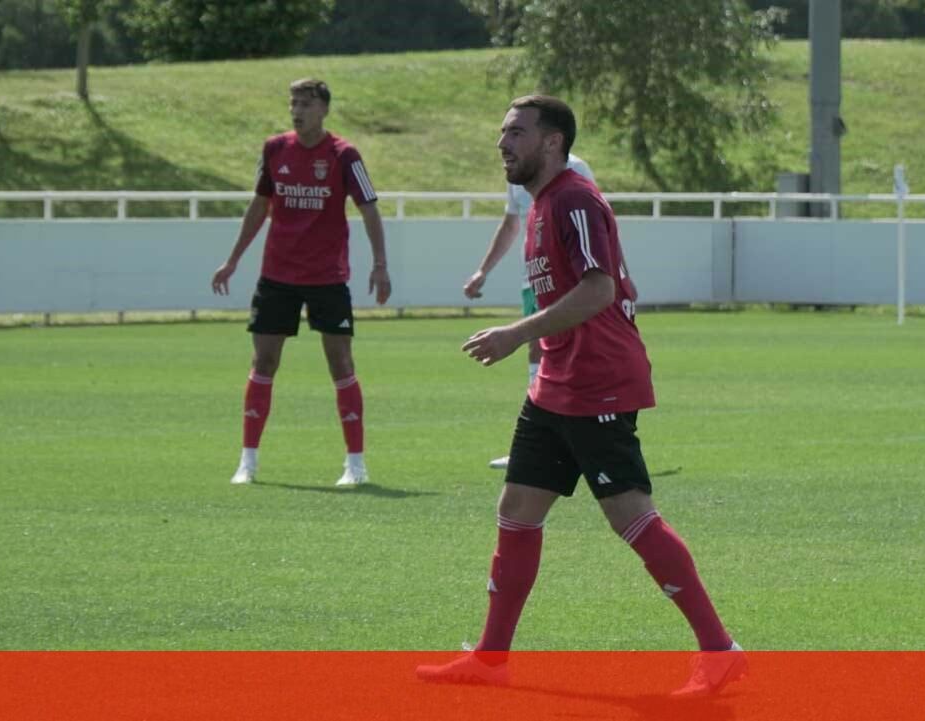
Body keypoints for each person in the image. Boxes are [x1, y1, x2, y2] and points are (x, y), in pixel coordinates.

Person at [417, 96, 746, 697]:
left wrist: (516, 334)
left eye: (516, 132)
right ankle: (490, 659)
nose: (502, 142)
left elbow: (598, 290)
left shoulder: (574, 199)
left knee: (630, 516)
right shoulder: (542, 203)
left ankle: (720, 651)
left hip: (599, 382)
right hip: (556, 383)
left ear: (552, 142)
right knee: (517, 508)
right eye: (502, 131)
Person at [211, 78, 391, 488]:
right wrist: (233, 260)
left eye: (306, 104)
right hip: (277, 275)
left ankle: (356, 464)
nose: (297, 111)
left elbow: (369, 209)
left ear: (324, 109)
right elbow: (260, 205)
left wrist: (380, 265)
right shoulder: (275, 149)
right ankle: (248, 461)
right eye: (293, 103)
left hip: (327, 277)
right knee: (263, 362)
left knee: (340, 363)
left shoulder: (344, 155)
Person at [463, 151, 595, 470]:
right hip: (533, 278)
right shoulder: (518, 174)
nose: (506, 143)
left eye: (516, 132)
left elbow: (596, 223)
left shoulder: (575, 168)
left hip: (565, 279)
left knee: (562, 352)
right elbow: (511, 223)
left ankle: (557, 442)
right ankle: (544, 443)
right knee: (539, 352)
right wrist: (483, 271)